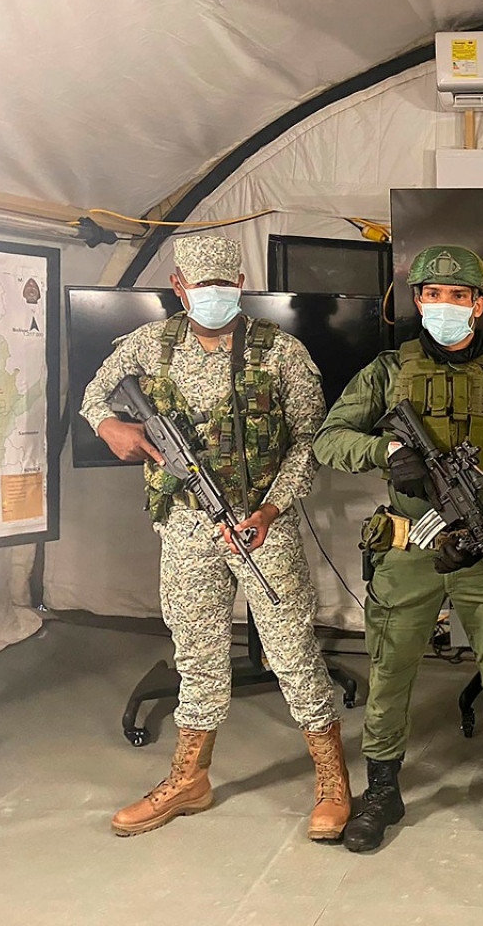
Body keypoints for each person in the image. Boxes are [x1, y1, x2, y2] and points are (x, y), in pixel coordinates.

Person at [80, 235, 349, 840]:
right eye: (203, 288)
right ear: (180, 288)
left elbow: (311, 441)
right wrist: (108, 428)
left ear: (242, 286)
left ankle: (333, 780)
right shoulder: (151, 344)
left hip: (262, 528)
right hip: (185, 524)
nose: (214, 298)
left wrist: (273, 507)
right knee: (197, 655)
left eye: (226, 287)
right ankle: (189, 779)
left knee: (292, 651)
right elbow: (96, 395)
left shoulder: (281, 353)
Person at [312, 245, 483, 860]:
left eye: (458, 295)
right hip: (407, 548)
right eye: (432, 294)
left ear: (479, 303)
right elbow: (328, 440)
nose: (444, 306)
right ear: (416, 301)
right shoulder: (385, 373)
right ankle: (384, 791)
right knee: (391, 671)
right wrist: (385, 455)